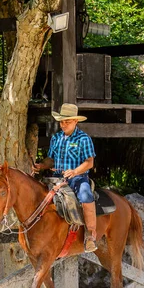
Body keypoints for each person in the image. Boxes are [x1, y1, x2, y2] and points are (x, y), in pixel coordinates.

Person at [32, 103, 98, 252]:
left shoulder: (83, 139)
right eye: (62, 121)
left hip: (78, 178)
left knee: (86, 196)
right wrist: (42, 165)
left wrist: (74, 172)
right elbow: (51, 159)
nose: (63, 125)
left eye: (67, 121)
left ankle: (90, 236)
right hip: (56, 178)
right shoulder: (56, 138)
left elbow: (89, 162)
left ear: (76, 121)